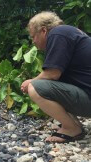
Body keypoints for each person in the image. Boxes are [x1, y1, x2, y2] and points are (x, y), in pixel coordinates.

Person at [21, 11, 91, 143]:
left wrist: (30, 81)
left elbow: (52, 74)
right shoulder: (69, 33)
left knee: (35, 87)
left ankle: (72, 128)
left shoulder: (57, 33)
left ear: (43, 30)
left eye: (33, 36)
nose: (33, 41)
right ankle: (73, 125)